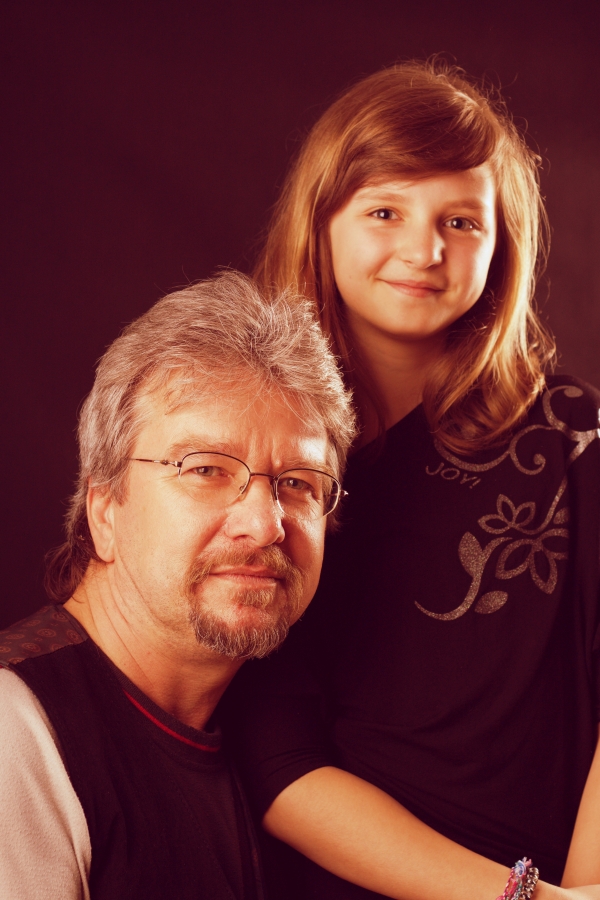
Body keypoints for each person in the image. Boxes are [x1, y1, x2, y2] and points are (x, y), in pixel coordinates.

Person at [225, 61, 600, 899]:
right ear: (321, 221)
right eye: (385, 211)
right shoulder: (266, 448)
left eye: (461, 221)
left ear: (503, 243)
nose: (425, 251)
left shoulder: (578, 438)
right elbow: (275, 761)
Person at [0, 272, 355, 899]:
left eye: (299, 483)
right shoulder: (16, 734)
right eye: (206, 470)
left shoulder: (258, 743)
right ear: (104, 513)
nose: (264, 524)